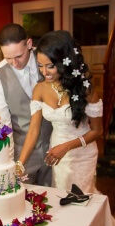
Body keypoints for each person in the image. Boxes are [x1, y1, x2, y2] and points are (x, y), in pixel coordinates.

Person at [16, 30, 103, 193]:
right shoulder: (39, 89)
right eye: (40, 65)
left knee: (81, 199)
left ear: (65, 62)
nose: (44, 72)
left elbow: (98, 131)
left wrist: (67, 146)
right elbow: (33, 130)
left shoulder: (85, 89)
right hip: (57, 154)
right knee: (62, 196)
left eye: (50, 66)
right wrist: (19, 164)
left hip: (83, 154)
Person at [0, 23, 52, 186]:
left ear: (29, 44)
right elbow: (3, 126)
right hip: (23, 153)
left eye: (19, 56)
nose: (14, 63)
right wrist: (8, 164)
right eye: (8, 58)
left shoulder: (49, 60)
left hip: (56, 146)